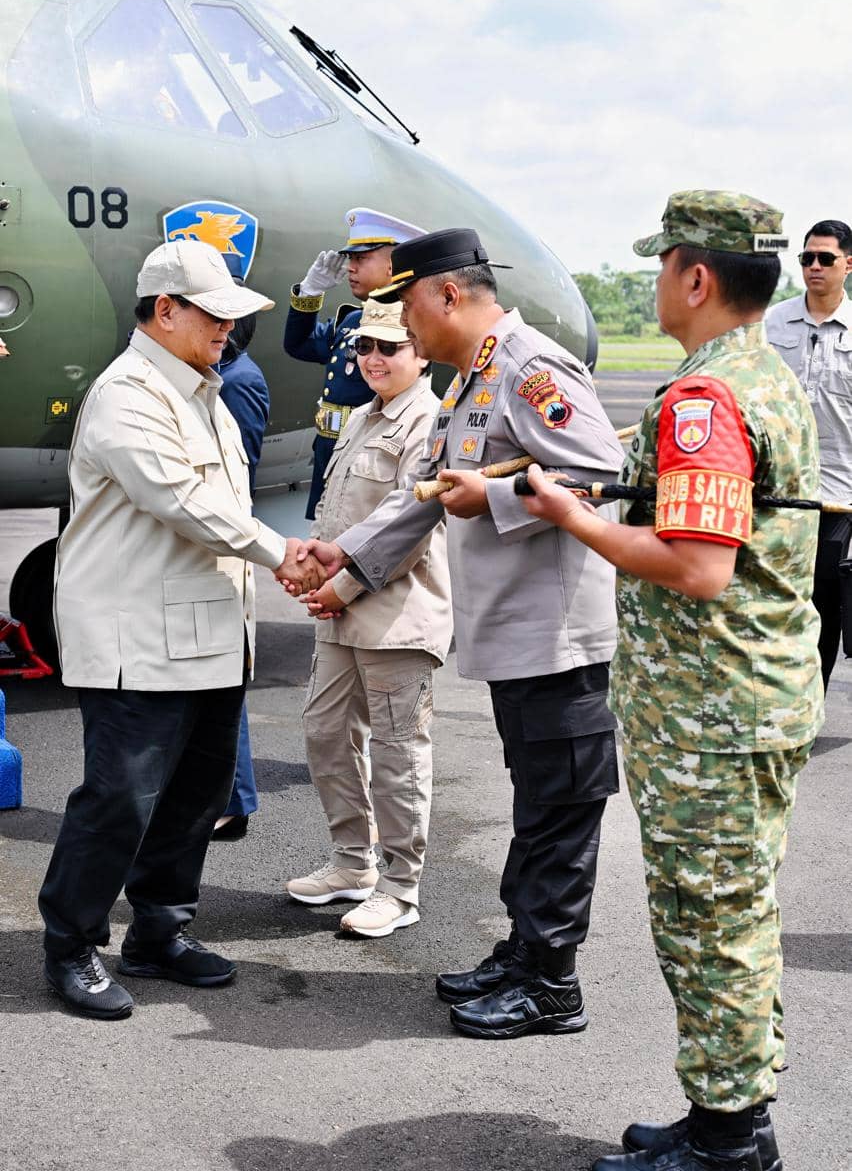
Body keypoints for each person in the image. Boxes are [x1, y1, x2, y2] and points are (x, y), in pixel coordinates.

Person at [520, 191, 823, 1171]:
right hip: (744, 699)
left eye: (661, 266)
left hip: (710, 713)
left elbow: (700, 567)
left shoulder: (705, 396)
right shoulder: (758, 374)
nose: (654, 282)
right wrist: (615, 496)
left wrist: (574, 520)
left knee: (711, 924)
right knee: (729, 916)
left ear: (697, 277)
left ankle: (730, 1140)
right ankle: (725, 1114)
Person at [290, 228, 624, 1037]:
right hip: (514, 639)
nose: (405, 325)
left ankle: (552, 985)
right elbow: (427, 494)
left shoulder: (529, 368)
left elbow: (602, 473)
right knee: (539, 808)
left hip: (557, 639)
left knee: (560, 810)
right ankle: (524, 955)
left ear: (447, 293)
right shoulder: (470, 382)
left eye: (407, 305)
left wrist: (501, 499)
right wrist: (345, 550)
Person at [38, 240, 324, 1021]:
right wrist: (281, 555)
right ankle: (71, 944)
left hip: (209, 635)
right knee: (118, 799)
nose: (228, 329)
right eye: (215, 314)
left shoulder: (201, 389)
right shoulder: (128, 393)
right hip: (138, 641)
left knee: (197, 797)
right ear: (165, 311)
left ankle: (159, 931)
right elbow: (180, 500)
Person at [285, 297, 452, 937]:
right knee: (325, 734)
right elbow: (335, 514)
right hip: (339, 610)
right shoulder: (361, 416)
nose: (374, 359)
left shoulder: (431, 423)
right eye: (365, 347)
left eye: (391, 347)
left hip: (395, 616)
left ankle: (399, 886)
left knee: (397, 752)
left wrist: (340, 587)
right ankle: (352, 863)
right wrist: (307, 569)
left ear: (421, 353)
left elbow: (409, 525)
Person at [283, 207, 425, 518]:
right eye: (350, 258)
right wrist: (310, 292)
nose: (350, 267)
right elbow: (298, 345)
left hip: (373, 459)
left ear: (393, 265)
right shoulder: (351, 320)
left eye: (361, 259)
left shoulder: (413, 322)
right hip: (330, 455)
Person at [766, 219, 852, 689]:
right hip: (777, 486)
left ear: (848, 265)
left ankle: (810, 699)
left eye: (825, 259)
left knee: (823, 596)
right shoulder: (773, 322)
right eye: (806, 258)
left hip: (838, 491)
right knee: (774, 593)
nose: (814, 267)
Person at [211, 256, 271, 842]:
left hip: (224, 542)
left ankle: (235, 801)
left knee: (225, 677)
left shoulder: (241, 382)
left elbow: (239, 470)